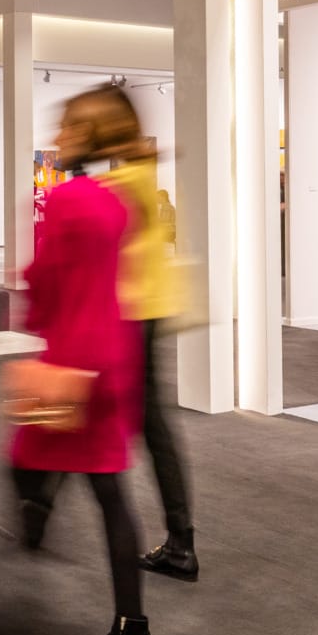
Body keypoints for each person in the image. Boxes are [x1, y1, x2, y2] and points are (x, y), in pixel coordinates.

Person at [8, 88, 150, 635]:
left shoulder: (64, 202)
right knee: (110, 496)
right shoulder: (118, 206)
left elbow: (44, 283)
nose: (58, 137)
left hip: (71, 363)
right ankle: (133, 634)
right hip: (112, 359)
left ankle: (29, 534)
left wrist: (32, 304)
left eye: (66, 127)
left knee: (23, 459)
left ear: (87, 135)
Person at [86, 91, 197, 582]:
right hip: (145, 312)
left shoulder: (122, 186)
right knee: (151, 427)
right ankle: (180, 542)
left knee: (107, 419)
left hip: (130, 315)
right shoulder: (141, 179)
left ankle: (36, 513)